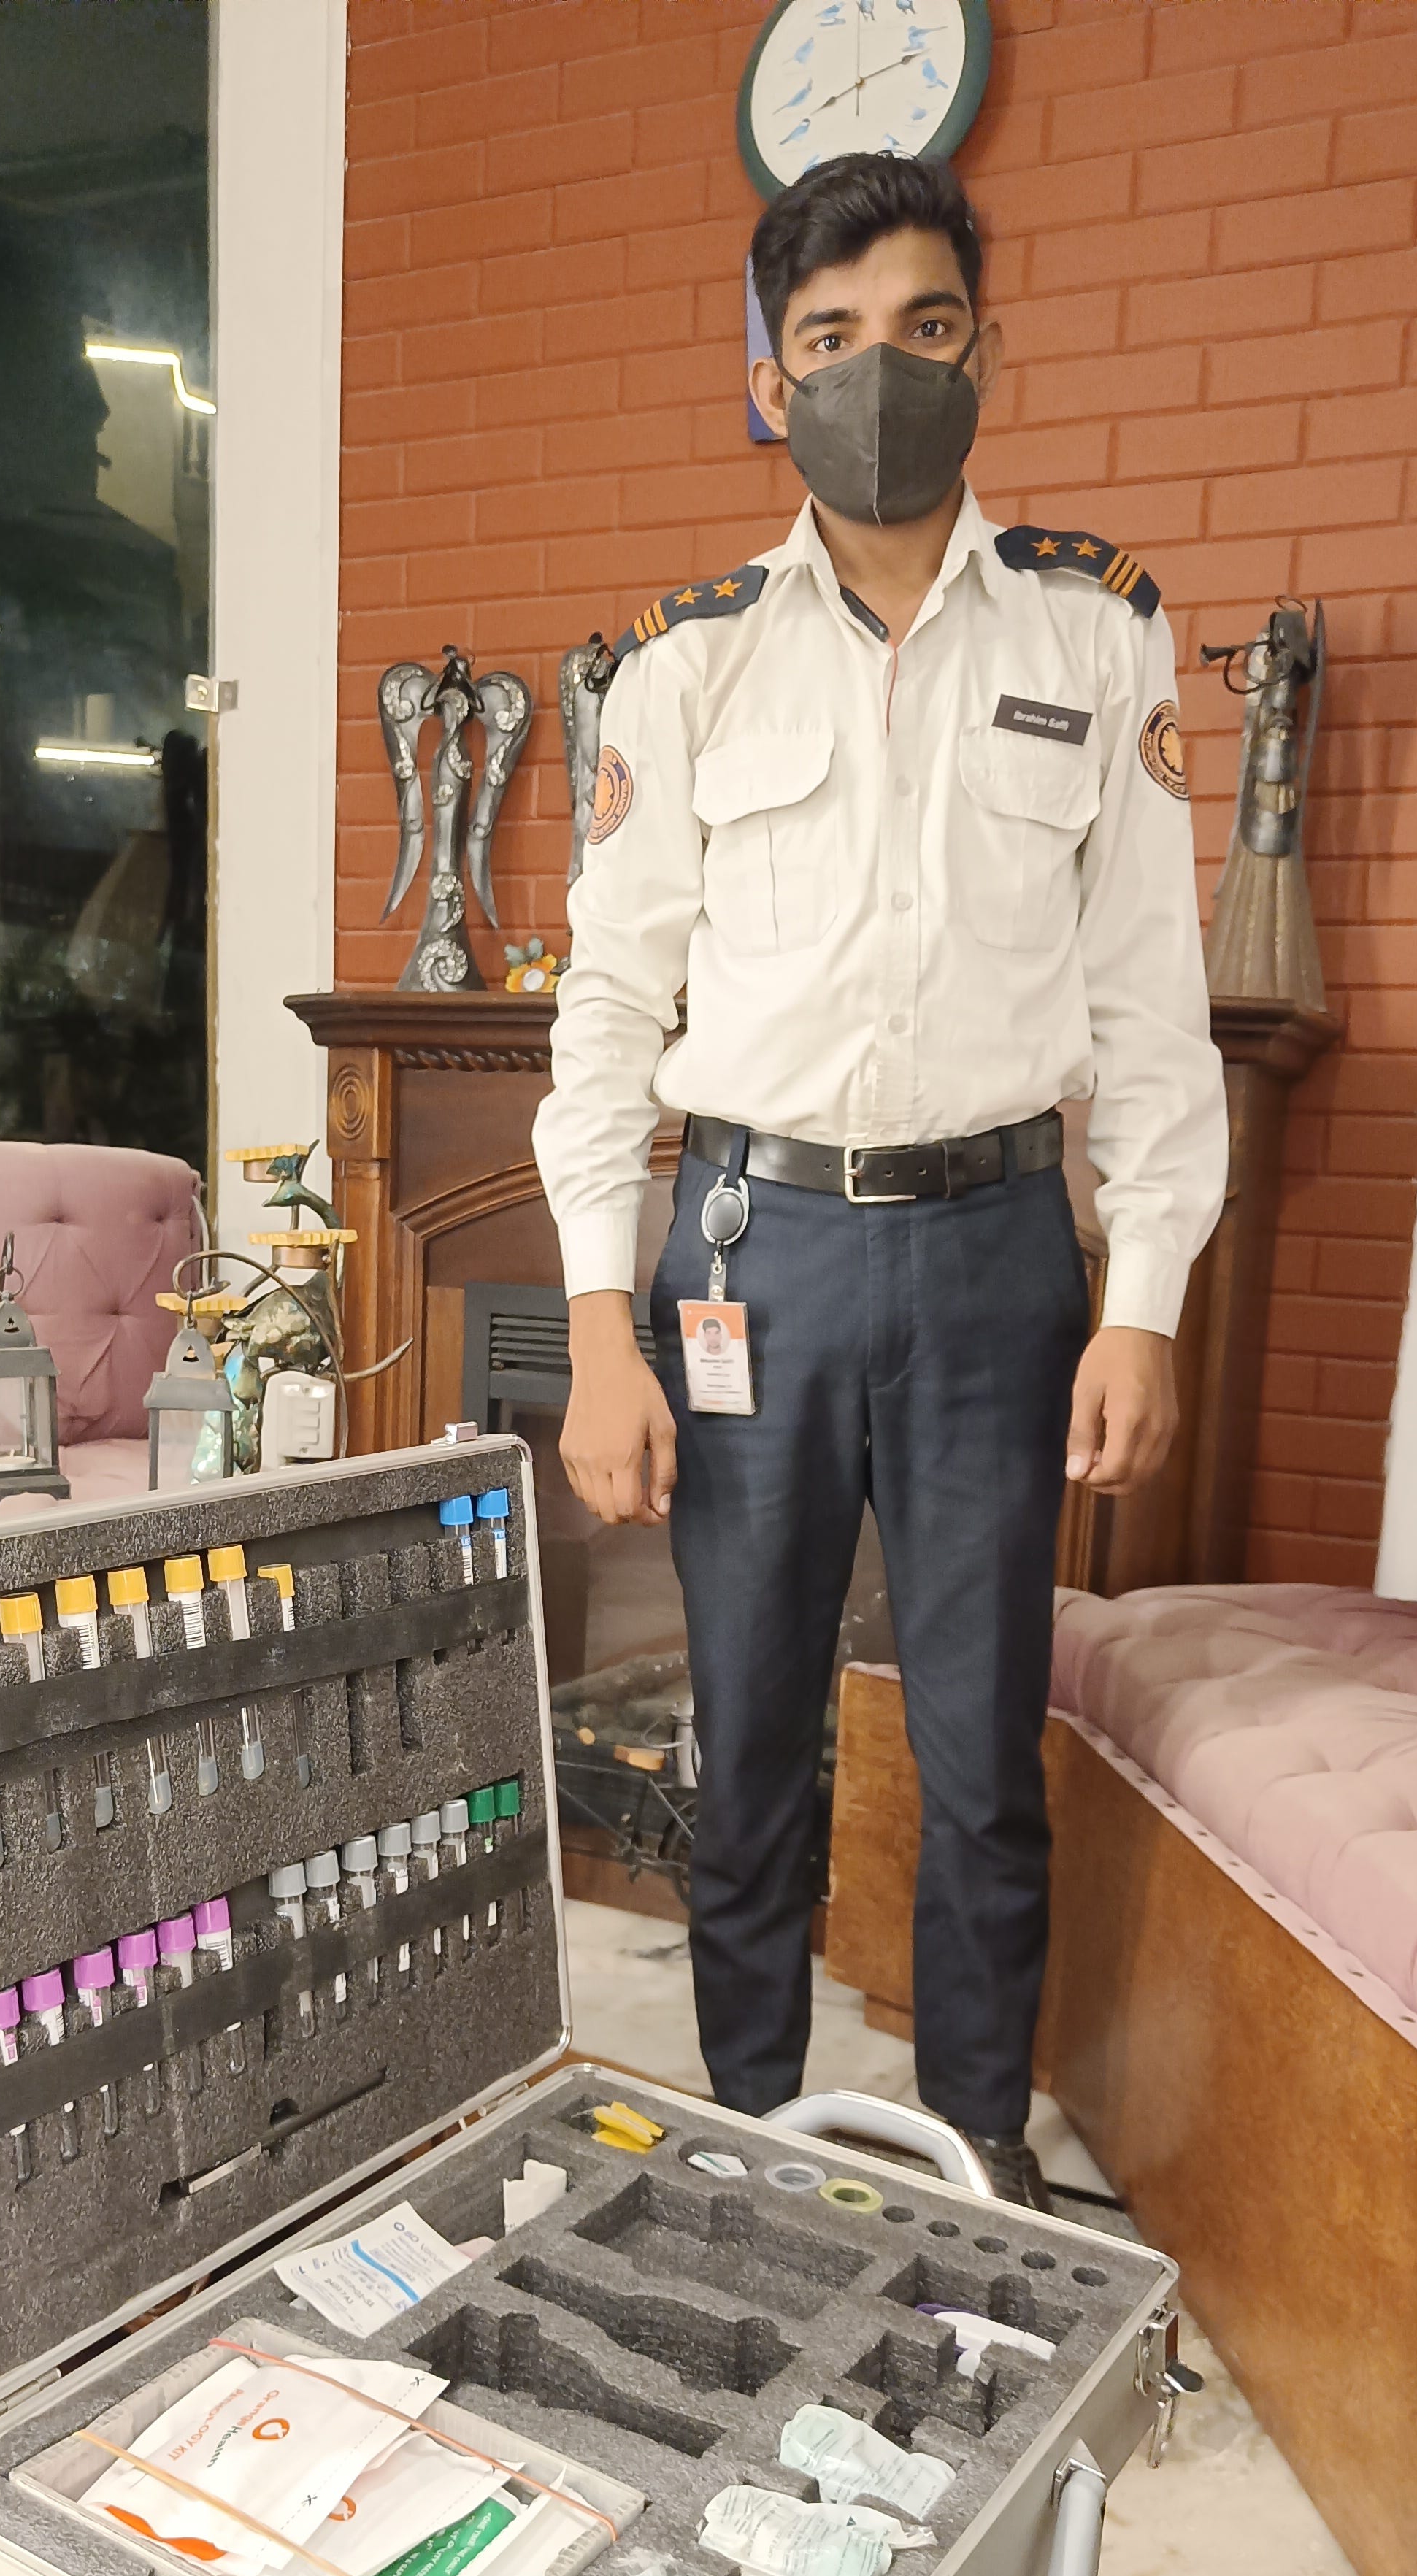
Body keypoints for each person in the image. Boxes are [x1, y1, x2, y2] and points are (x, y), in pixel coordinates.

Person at [533, 155, 1227, 2212]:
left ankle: (978, 2143)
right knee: (749, 1733)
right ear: (770, 385)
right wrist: (598, 1332)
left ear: (984, 347)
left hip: (1002, 1256)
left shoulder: (1099, 631)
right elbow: (605, 1014)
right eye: (827, 340)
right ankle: (755, 2127)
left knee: (982, 1745)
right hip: (755, 1252)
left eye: (923, 327)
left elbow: (1154, 1001)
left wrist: (1145, 1299)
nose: (877, 373)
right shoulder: (687, 666)